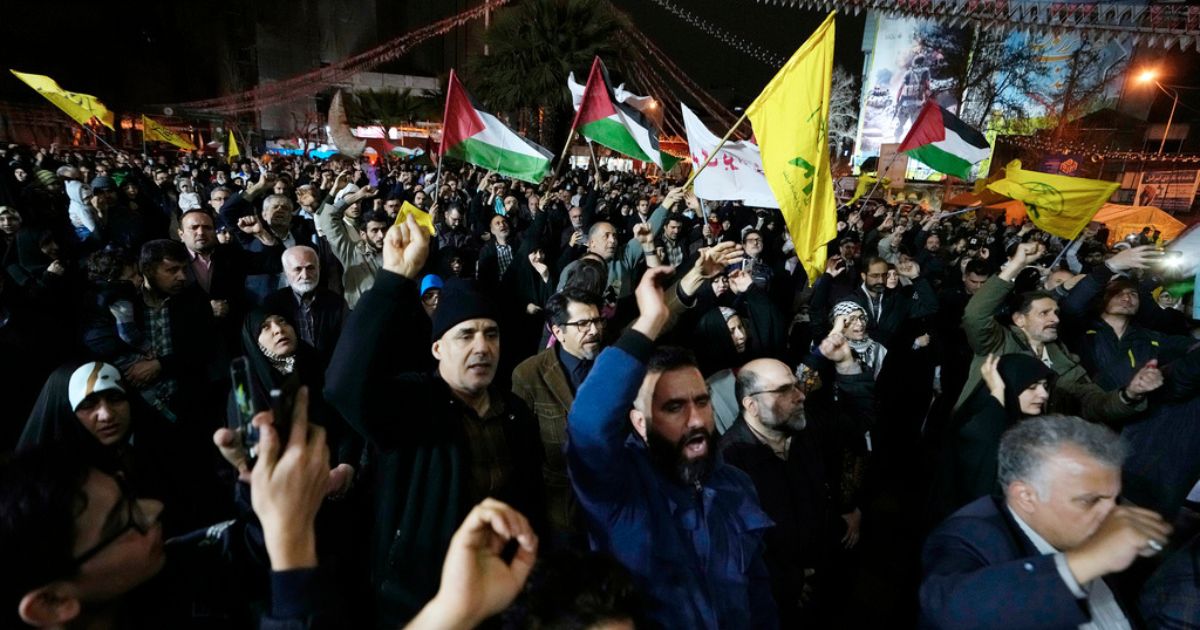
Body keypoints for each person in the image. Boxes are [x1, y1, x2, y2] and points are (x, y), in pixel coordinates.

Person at [324, 215, 545, 627]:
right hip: (420, 601)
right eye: (466, 335)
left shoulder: (516, 414)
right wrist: (392, 280)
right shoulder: (412, 404)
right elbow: (342, 385)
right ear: (438, 348)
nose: (482, 346)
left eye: (491, 334)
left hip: (501, 594)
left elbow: (530, 503)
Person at [2, 386, 338, 629]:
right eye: (124, 521)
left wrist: (255, 484)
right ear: (52, 603)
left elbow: (241, 550)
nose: (153, 509)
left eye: (129, 497)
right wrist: (291, 542)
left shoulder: (154, 572)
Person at [566, 266, 778, 629]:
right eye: (673, 407)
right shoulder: (621, 493)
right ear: (638, 423)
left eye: (702, 401)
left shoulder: (736, 486)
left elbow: (757, 594)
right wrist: (650, 321)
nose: (696, 420)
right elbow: (587, 425)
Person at [920, 415, 1173, 629]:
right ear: (1027, 496)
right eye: (1089, 500)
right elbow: (949, 609)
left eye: (1114, 497)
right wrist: (1088, 561)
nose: (1112, 514)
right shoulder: (971, 534)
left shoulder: (1091, 528)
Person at [955, 242, 1159, 424]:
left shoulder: (1063, 359)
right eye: (1044, 313)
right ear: (1020, 319)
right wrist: (1016, 265)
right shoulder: (998, 342)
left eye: (1056, 313)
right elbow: (975, 315)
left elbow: (1093, 403)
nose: (1055, 319)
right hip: (980, 443)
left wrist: (1130, 395)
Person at [720, 358, 841, 627]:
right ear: (751, 405)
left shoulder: (805, 434)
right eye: (783, 390)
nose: (799, 396)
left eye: (796, 386)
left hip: (825, 575)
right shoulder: (729, 463)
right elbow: (738, 546)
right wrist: (788, 582)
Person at [263, 245, 346, 364]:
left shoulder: (336, 302)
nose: (305, 275)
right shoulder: (273, 303)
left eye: (310, 268)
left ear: (319, 268)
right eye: (297, 269)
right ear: (286, 272)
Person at [314, 185, 384, 309]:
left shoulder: (393, 253)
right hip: (361, 311)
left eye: (384, 230)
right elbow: (327, 217)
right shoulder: (352, 253)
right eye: (375, 231)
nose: (381, 235)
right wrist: (357, 195)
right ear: (363, 234)